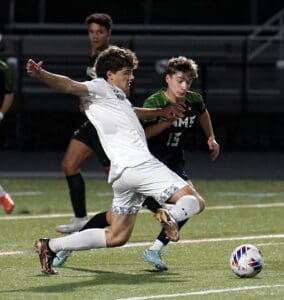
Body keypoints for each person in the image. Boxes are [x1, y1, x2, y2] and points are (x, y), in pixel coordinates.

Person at [26, 46, 205, 275]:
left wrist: (161, 112)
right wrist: (42, 74)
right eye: (126, 73)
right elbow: (70, 85)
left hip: (122, 175)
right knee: (194, 201)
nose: (131, 77)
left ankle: (50, 246)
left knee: (116, 236)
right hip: (140, 164)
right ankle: (170, 215)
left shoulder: (117, 97)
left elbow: (133, 111)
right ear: (110, 75)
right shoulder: (100, 87)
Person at [57, 13, 184, 234]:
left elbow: (121, 101)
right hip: (93, 123)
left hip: (110, 127)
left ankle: (161, 213)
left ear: (109, 34)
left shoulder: (115, 62)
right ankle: (80, 218)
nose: (95, 36)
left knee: (126, 178)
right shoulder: (95, 58)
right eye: (92, 32)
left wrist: (161, 111)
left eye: (100, 32)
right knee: (69, 165)